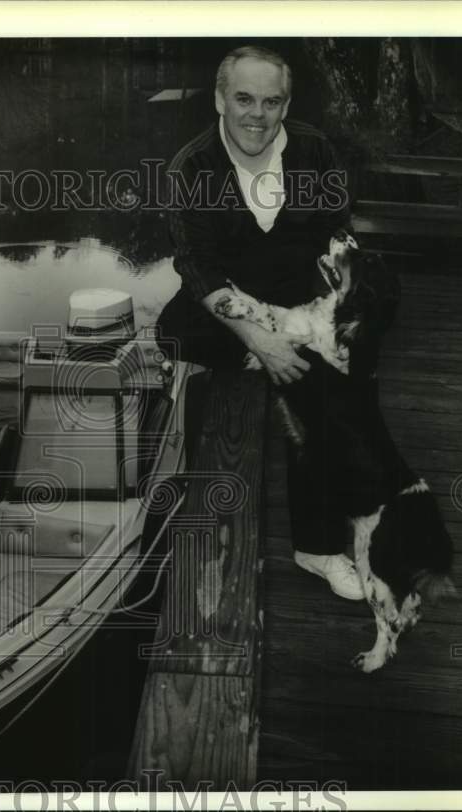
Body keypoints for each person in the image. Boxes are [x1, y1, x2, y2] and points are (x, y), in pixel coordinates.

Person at [156, 44, 364, 600]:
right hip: (229, 302)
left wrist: (329, 299)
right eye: (244, 98)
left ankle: (317, 548)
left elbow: (339, 234)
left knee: (335, 366)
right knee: (180, 334)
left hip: (298, 295)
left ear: (286, 103)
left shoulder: (315, 151)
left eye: (271, 101)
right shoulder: (191, 168)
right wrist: (261, 340)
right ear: (220, 100)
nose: (257, 113)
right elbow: (196, 267)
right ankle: (271, 355)